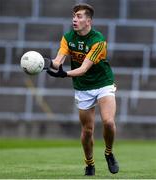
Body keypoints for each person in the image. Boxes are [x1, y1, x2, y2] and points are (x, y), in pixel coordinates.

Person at [45, 3, 119, 176]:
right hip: (83, 87)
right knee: (87, 130)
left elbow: (84, 68)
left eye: (79, 16)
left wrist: (64, 75)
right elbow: (58, 61)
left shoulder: (98, 40)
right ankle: (89, 163)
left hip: (103, 83)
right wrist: (45, 62)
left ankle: (108, 153)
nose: (74, 19)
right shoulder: (68, 37)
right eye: (74, 16)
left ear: (88, 21)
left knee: (108, 121)